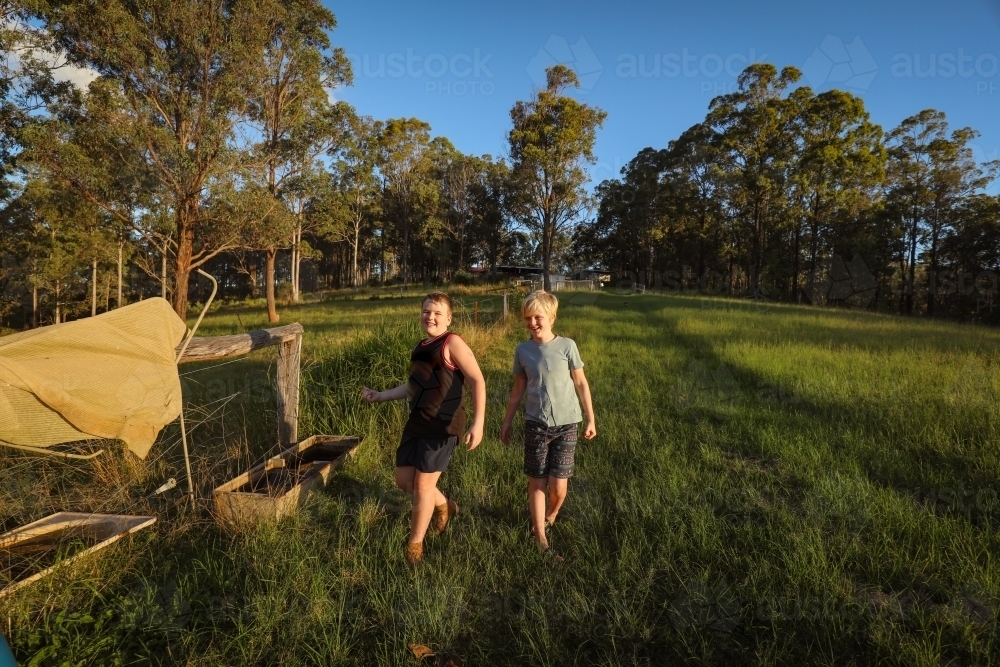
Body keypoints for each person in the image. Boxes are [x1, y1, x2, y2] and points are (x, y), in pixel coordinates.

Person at [362, 292, 486, 565]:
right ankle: (444, 505)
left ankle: (414, 546)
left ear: (448, 318)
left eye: (437, 313)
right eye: (426, 311)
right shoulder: (421, 346)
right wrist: (380, 395)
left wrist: (478, 422)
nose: (430, 316)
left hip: (443, 424)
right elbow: (412, 387)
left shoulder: (451, 343)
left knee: (421, 486)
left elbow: (477, 380)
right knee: (403, 479)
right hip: (417, 422)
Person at [500, 290, 596, 552]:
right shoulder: (522, 350)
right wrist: (507, 422)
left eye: (538, 317)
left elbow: (581, 383)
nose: (533, 323)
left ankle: (552, 513)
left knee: (559, 486)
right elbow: (518, 389)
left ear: (551, 317)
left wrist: (590, 419)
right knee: (537, 480)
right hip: (536, 424)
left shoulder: (567, 346)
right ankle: (540, 534)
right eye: (528, 319)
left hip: (567, 424)